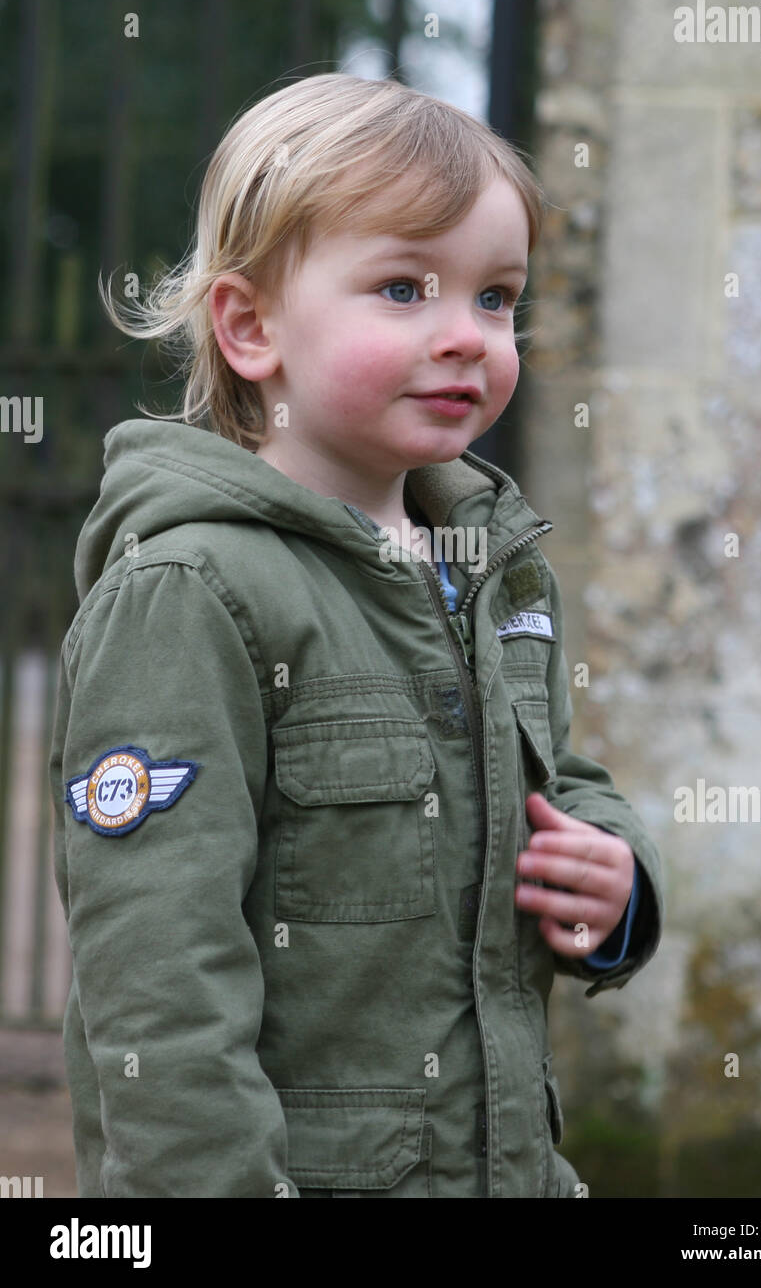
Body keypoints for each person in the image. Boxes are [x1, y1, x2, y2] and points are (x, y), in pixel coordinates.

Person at [49, 72, 663, 1198]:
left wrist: (616, 880)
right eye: (401, 288)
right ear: (247, 326)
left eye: (494, 298)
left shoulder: (490, 563)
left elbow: (559, 777)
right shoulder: (192, 589)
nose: (465, 337)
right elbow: (158, 983)